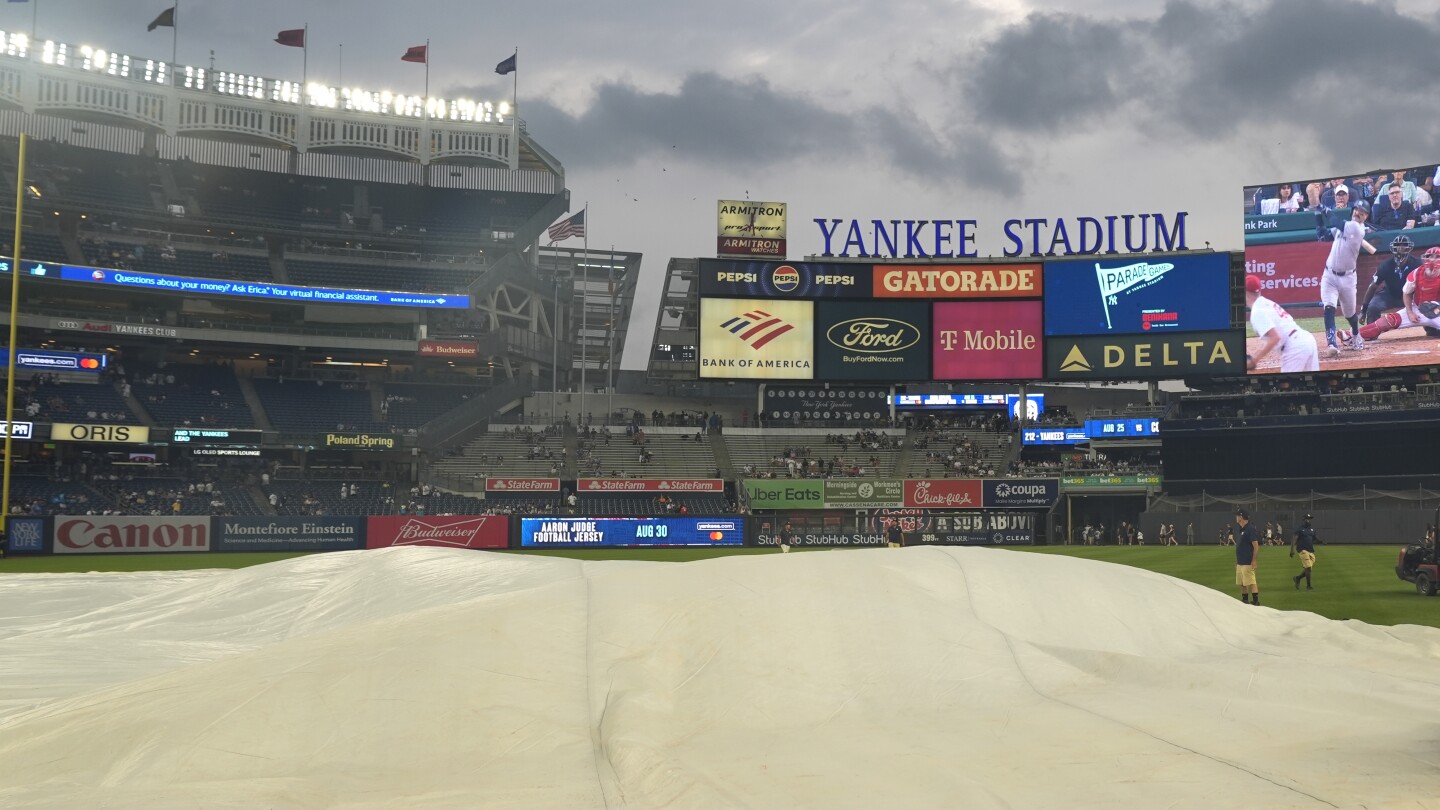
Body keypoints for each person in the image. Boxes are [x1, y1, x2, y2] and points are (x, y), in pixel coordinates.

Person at [1357, 247, 1440, 342]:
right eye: (1430, 256)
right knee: (1390, 320)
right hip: (1418, 308)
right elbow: (1406, 293)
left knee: (1435, 333)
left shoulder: (1415, 262)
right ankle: (1353, 335)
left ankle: (1432, 329)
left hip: (1438, 310)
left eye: (1437, 257)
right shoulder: (1416, 272)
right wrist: (1410, 313)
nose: (1432, 260)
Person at [1245, 275, 1320, 372]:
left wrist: (1255, 360)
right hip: (1307, 339)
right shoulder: (1266, 302)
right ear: (1259, 290)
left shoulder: (1257, 311)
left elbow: (1275, 338)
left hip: (1294, 348)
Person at [1362, 236, 1420, 326]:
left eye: (1404, 245)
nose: (1400, 248)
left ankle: (1432, 329)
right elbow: (1373, 286)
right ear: (1393, 247)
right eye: (1397, 245)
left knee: (1428, 305)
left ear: (1409, 247)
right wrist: (1364, 308)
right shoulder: (1386, 265)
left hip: (1411, 295)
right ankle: (1371, 332)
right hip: (1390, 295)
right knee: (1373, 307)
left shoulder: (1417, 263)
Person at [1234, 509, 1260, 605]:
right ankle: (1245, 600)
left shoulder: (1250, 528)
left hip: (1248, 562)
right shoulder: (1241, 529)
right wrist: (1237, 561)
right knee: (1242, 583)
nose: (1236, 518)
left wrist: (1254, 561)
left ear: (1241, 517)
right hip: (1240, 562)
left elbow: (1256, 546)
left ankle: (1256, 601)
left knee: (1251, 581)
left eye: (1237, 516)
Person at [1291, 513, 1319, 590]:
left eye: (1309, 519)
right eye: (1307, 519)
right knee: (1308, 568)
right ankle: (1308, 586)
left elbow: (1314, 538)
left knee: (1308, 568)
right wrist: (1292, 550)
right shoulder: (1300, 528)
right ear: (1304, 520)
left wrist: (1321, 541)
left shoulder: (1312, 529)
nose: (1308, 520)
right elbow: (1294, 538)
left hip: (1310, 551)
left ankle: (1297, 578)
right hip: (1302, 550)